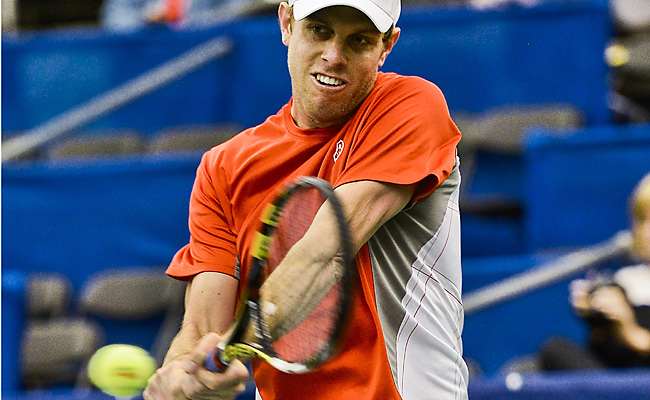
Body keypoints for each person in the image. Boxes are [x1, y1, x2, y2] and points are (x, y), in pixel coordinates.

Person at [144, 0, 469, 399]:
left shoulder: (411, 106)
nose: (334, 56)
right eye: (319, 30)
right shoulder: (224, 167)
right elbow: (200, 329)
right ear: (286, 23)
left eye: (359, 40)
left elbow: (324, 254)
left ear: (387, 46)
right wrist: (182, 376)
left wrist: (234, 342)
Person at [541, 173, 650, 370]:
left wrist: (630, 330)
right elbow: (606, 355)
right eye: (642, 220)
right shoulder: (624, 280)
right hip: (613, 378)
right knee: (552, 351)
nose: (647, 231)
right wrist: (594, 315)